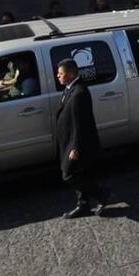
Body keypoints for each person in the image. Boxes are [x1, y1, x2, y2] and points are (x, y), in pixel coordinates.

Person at [55, 58, 108, 217]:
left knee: (69, 174)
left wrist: (75, 148)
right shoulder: (69, 88)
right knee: (80, 174)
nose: (58, 76)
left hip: (76, 144)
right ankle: (83, 204)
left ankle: (101, 193)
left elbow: (81, 124)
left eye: (61, 73)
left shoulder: (79, 93)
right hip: (68, 141)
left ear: (71, 74)